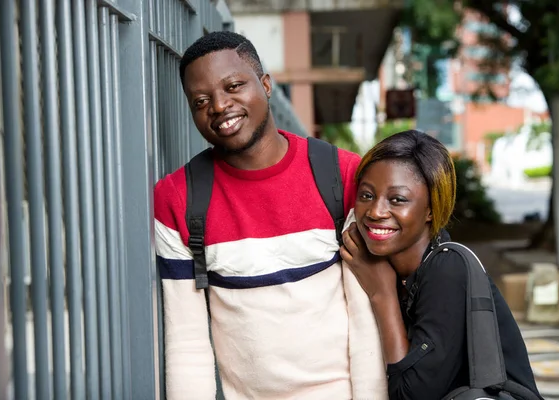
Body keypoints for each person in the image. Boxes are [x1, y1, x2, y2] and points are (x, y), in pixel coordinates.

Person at [154, 31, 387, 399]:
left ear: (265, 84)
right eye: (201, 101)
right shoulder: (177, 199)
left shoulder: (341, 175)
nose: (218, 106)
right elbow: (187, 344)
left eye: (233, 86)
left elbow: (365, 321)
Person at [340, 130, 542, 399]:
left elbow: (411, 395)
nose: (376, 211)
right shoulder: (389, 267)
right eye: (366, 196)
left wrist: (382, 294)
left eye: (397, 199)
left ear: (431, 209)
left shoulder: (446, 270)